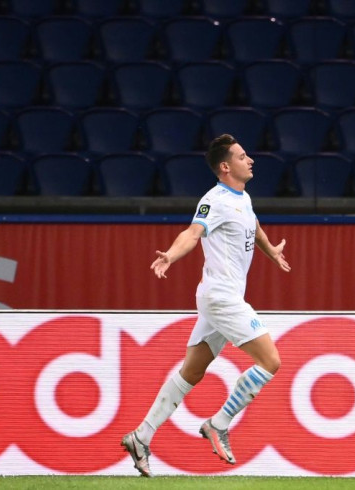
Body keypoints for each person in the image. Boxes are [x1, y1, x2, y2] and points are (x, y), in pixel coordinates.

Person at [121, 134, 291, 477]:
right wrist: (170, 254)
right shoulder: (213, 200)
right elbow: (193, 233)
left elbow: (251, 221)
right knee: (270, 360)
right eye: (244, 157)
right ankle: (219, 422)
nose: (251, 160)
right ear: (225, 166)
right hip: (221, 297)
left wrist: (270, 248)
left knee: (192, 371)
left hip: (222, 297)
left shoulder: (241, 197)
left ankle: (141, 436)